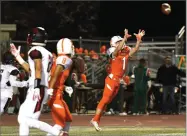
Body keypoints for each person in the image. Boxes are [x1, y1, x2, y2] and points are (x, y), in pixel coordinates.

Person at [10, 27, 64, 136]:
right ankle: (57, 131)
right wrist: (18, 57)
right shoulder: (47, 53)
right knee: (23, 118)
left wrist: (36, 87)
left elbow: (38, 68)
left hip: (38, 87)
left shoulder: (35, 51)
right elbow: (32, 70)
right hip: (40, 87)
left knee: (26, 119)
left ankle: (57, 132)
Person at [90, 29, 145, 131]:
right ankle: (95, 119)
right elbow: (116, 51)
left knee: (108, 101)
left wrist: (138, 40)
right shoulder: (111, 50)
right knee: (105, 99)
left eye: (121, 41)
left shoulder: (126, 50)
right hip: (112, 79)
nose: (121, 43)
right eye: (119, 42)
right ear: (114, 43)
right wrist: (124, 38)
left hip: (118, 80)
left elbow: (135, 50)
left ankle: (97, 118)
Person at [47, 38, 75, 136]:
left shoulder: (61, 58)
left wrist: (64, 87)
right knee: (59, 123)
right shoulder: (64, 58)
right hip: (54, 94)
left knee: (68, 119)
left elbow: (58, 76)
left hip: (58, 92)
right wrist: (50, 89)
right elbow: (56, 72)